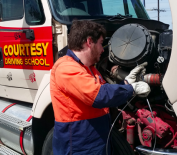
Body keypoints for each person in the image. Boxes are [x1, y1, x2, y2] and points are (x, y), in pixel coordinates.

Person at [50, 20, 150, 155]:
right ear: (89, 41)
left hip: (95, 140)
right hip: (79, 145)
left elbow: (105, 92)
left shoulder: (90, 69)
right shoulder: (66, 68)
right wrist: (132, 89)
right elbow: (99, 95)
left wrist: (126, 84)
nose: (103, 49)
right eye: (101, 43)